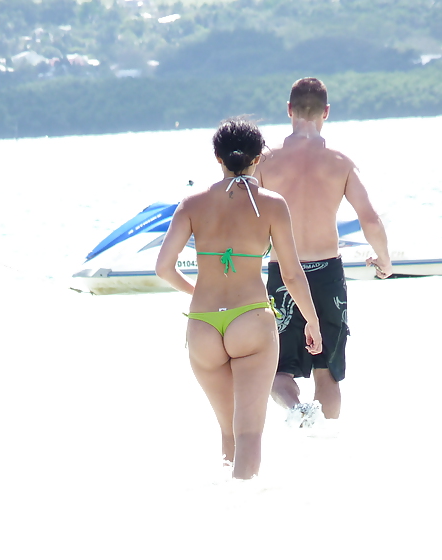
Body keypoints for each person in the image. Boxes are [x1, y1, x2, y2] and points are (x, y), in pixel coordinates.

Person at [156, 118, 322, 480]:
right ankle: (245, 514)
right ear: (259, 158)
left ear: (218, 158)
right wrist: (311, 320)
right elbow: (292, 274)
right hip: (251, 319)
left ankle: (227, 511)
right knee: (249, 434)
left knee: (229, 433)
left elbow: (163, 268)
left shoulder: (191, 205)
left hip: (202, 326)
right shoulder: (272, 205)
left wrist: (195, 293)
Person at [254, 77, 393, 426]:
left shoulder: (264, 162)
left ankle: (297, 412)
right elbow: (370, 220)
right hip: (328, 275)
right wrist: (385, 261)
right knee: (326, 372)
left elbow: (247, 217)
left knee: (278, 370)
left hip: (283, 274)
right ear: (326, 113)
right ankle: (326, 445)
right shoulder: (341, 162)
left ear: (288, 110)